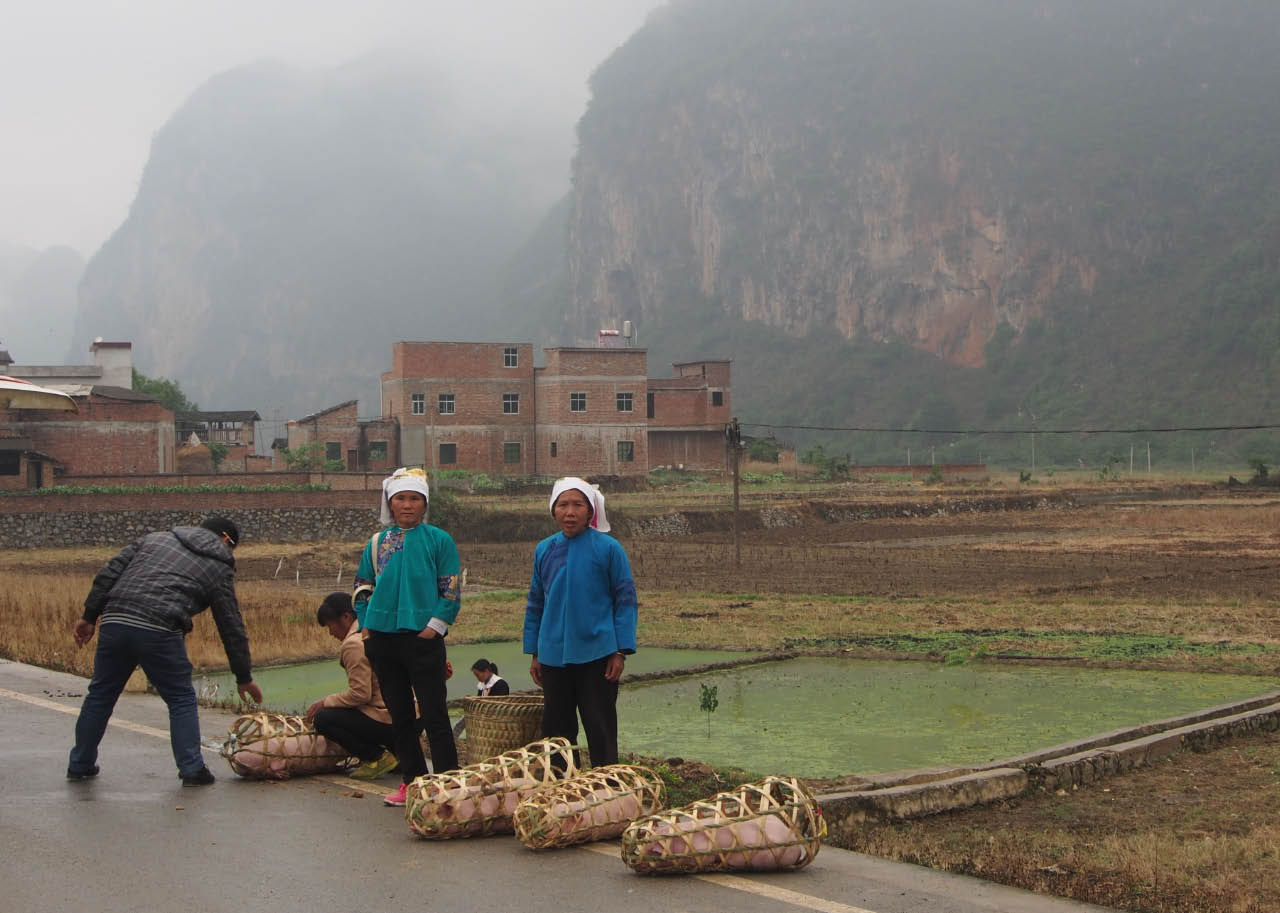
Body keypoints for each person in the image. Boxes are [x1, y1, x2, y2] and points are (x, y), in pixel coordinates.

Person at [67, 516, 263, 786]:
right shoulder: (219, 565)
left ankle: (80, 764)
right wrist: (243, 676)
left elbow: (109, 573)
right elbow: (230, 623)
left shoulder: (154, 538)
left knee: (100, 693)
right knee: (181, 698)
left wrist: (89, 616)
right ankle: (192, 769)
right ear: (226, 541)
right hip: (160, 628)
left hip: (116, 619)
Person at [353, 467, 461, 807]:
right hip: (382, 640)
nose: (408, 505)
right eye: (401, 498)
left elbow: (451, 589)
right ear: (390, 501)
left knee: (434, 715)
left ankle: (448, 783)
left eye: (415, 499)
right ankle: (412, 781)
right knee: (400, 716)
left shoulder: (439, 541)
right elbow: (362, 587)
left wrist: (434, 627)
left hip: (424, 639)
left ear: (425, 503)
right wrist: (366, 625)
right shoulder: (377, 542)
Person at [524, 477, 637, 767]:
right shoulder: (544, 550)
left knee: (600, 726)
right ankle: (563, 786)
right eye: (563, 505)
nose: (570, 512)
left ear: (591, 511)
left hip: (597, 654)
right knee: (557, 731)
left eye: (578, 505)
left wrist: (620, 650)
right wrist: (536, 652)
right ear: (553, 510)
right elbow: (536, 602)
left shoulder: (609, 549)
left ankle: (606, 786)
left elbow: (624, 601)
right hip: (553, 656)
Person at [305, 592, 398, 780]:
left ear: (346, 617)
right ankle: (399, 755)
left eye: (330, 625)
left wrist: (326, 701)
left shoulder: (353, 644)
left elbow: (361, 694)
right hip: (409, 716)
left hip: (388, 718)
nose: (331, 633)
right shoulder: (375, 629)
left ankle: (376, 757)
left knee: (324, 719)